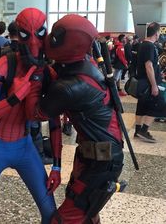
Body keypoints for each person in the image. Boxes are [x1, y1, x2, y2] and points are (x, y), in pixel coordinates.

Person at [25, 14, 124, 224]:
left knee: (66, 218)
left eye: (56, 36)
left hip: (101, 163)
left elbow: (35, 113)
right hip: (93, 155)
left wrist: (35, 74)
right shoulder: (85, 62)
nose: (49, 39)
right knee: (86, 214)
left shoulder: (70, 87)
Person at [0, 8, 60, 224]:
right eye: (26, 34)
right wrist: (13, 98)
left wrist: (57, 166)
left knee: (51, 214)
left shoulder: (47, 73)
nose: (33, 43)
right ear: (18, 34)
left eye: (39, 34)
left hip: (24, 146)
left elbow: (55, 122)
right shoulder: (4, 65)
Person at [134, 22, 164, 142]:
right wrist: (154, 85)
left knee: (142, 105)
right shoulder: (150, 46)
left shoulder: (143, 44)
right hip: (148, 83)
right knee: (160, 103)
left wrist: (158, 73)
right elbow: (149, 66)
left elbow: (150, 66)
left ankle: (137, 130)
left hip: (142, 82)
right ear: (156, 34)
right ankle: (144, 130)